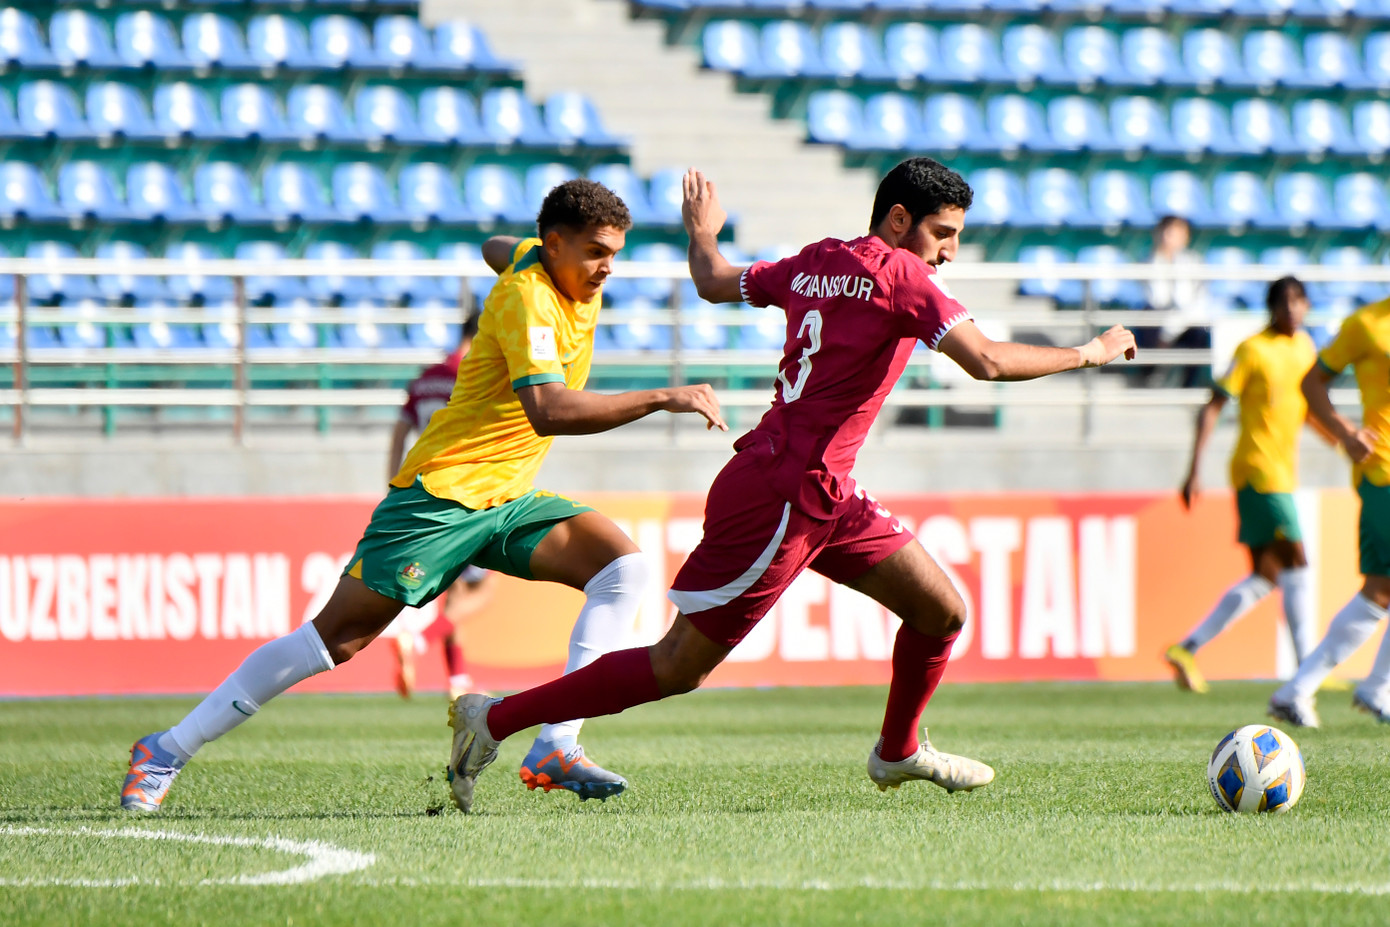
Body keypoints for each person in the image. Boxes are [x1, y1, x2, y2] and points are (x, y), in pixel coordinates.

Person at [444, 158, 1138, 813]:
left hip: (822, 490)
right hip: (783, 495)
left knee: (941, 612)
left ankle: (897, 752)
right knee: (679, 665)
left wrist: (703, 233)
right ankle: (494, 718)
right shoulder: (901, 273)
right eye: (942, 233)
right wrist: (1091, 351)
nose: (949, 252)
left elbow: (713, 280)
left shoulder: (818, 259)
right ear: (899, 220)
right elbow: (985, 361)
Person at [120, 179, 730, 811]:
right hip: (442, 495)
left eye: (615, 254)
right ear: (555, 245)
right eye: (596, 252)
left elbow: (496, 247)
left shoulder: (538, 261)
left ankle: (557, 743)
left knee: (623, 570)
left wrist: (522, 254)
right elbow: (548, 410)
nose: (608, 268)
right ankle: (165, 749)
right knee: (336, 639)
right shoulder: (530, 299)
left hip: (504, 498)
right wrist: (664, 396)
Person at [1166, 277, 1334, 693]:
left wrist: (1341, 437)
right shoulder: (1252, 350)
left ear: (1308, 306)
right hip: (1259, 470)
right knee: (1298, 561)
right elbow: (1214, 406)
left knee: (1265, 576)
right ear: (1271, 307)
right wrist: (1193, 469)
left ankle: (1187, 648)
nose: (1292, 309)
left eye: (1299, 301)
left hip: (1282, 471)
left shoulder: (1305, 347)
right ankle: (1307, 669)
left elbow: (1305, 407)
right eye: (1284, 302)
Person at [1268, 296, 1390, 728]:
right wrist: (1344, 433)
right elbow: (1311, 382)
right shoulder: (1367, 324)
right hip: (1384, 470)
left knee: (1379, 591)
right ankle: (1376, 687)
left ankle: (1297, 692)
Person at [386, 315, 495, 701]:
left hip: (419, 490)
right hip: (462, 493)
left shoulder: (425, 378)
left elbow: (400, 432)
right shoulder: (470, 374)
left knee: (457, 591)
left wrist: (393, 485)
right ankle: (417, 641)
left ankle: (457, 681)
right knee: (485, 588)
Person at [1142, 215, 1211, 389]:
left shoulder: (1194, 263)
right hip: (1158, 322)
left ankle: (1188, 387)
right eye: (1167, 232)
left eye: (1176, 233)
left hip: (1183, 323)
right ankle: (1150, 374)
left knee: (1199, 333)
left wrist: (1170, 331)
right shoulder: (1148, 262)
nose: (1169, 238)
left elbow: (1194, 303)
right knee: (1148, 320)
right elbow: (1157, 300)